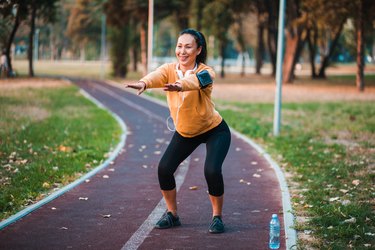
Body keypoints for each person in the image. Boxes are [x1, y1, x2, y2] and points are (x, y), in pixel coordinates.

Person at [125, 29, 231, 234]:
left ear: (198, 50)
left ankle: (217, 217)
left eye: (188, 46)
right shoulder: (169, 69)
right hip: (185, 132)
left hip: (214, 130)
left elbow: (195, 81)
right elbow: (157, 76)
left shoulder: (207, 72)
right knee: (164, 169)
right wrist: (144, 83)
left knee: (211, 170)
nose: (182, 51)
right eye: (179, 46)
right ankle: (172, 215)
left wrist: (179, 85)